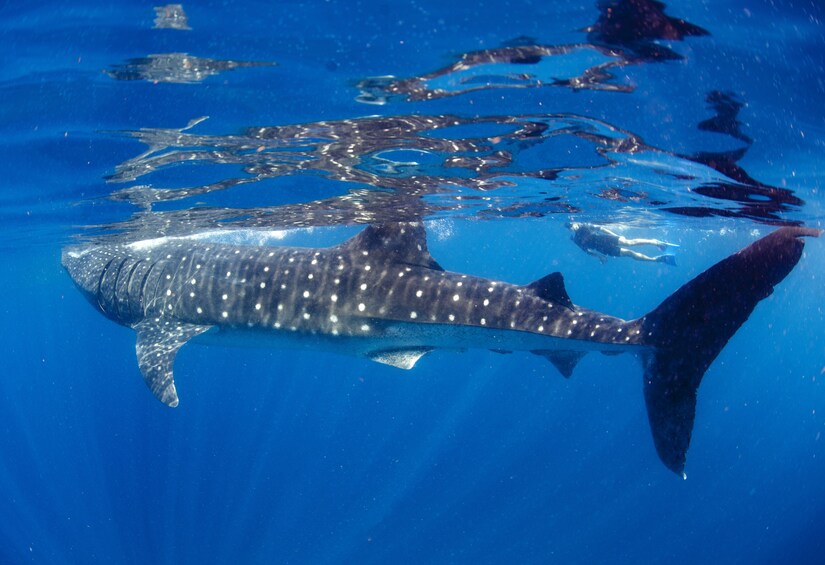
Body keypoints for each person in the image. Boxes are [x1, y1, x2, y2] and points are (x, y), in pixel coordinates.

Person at [568, 222, 678, 265]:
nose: (573, 228)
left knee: (628, 243)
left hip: (606, 239)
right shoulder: (576, 240)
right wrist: (599, 256)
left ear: (575, 223)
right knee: (629, 253)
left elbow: (601, 228)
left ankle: (655, 242)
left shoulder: (585, 226)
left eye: (572, 225)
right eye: (570, 228)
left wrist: (613, 235)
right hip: (604, 250)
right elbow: (587, 251)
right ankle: (656, 259)